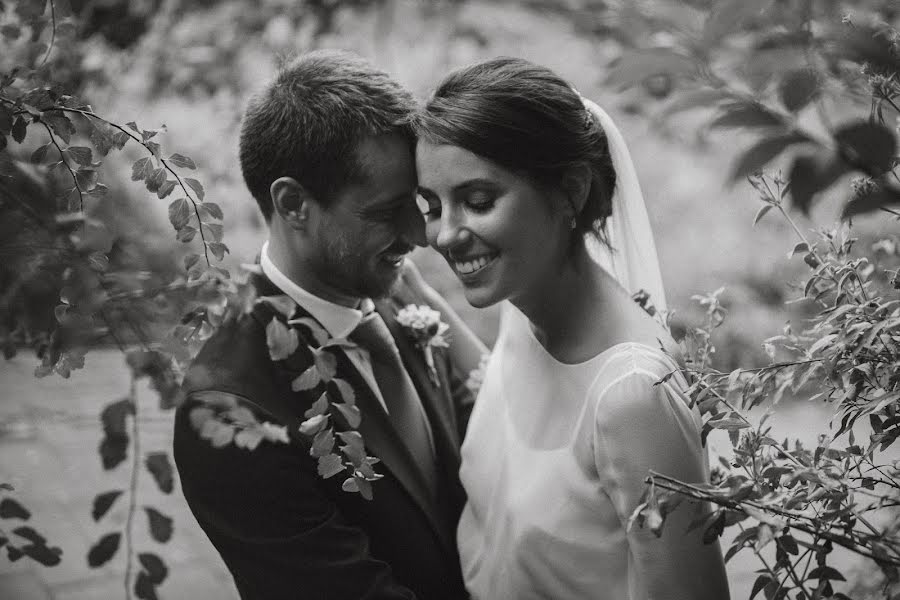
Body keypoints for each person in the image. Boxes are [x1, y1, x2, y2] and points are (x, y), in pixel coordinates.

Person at [412, 57, 730, 599]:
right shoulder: (522, 307)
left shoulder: (632, 397)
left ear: (570, 193)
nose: (444, 234)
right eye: (431, 206)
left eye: (478, 201)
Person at [173, 50, 485, 600]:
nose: (421, 235)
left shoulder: (397, 289)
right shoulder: (228, 414)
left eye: (418, 202)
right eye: (387, 212)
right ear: (294, 203)